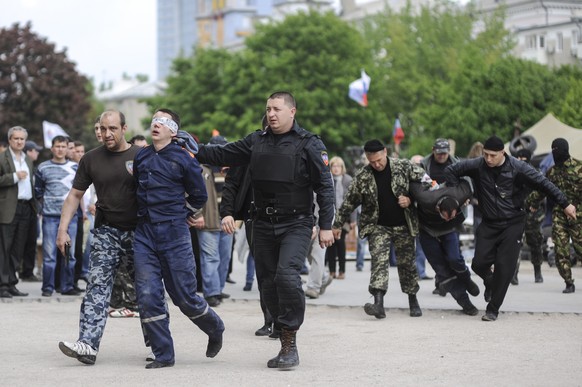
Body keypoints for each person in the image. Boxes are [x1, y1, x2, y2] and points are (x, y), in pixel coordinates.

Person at [196, 91, 335, 369]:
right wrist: (190, 146)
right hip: (260, 222)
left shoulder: (309, 143)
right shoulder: (254, 141)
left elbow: (325, 187)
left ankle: (289, 343)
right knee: (268, 283)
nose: (271, 114)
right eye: (268, 109)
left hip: (296, 222)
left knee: (287, 276)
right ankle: (277, 327)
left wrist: (326, 226)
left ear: (292, 112)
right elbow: (222, 153)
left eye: (277, 109)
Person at [444, 135, 576, 321]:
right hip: (489, 223)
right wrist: (458, 193)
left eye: (492, 156)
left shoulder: (518, 168)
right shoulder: (477, 165)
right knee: (478, 264)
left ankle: (493, 309)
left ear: (502, 153)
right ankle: (490, 283)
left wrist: (565, 204)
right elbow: (451, 170)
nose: (488, 159)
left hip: (512, 223)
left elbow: (545, 184)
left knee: (504, 269)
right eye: (486, 155)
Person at [132, 108, 224, 369]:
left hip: (174, 233)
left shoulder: (185, 159)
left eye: (164, 121)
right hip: (145, 233)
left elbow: (199, 196)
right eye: (154, 120)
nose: (156, 124)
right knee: (148, 295)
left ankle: (215, 327)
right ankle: (164, 354)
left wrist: (183, 213)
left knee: (184, 296)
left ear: (173, 131)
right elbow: (136, 188)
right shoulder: (142, 158)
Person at [56, 110, 144, 365]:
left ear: (124, 128)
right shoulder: (91, 159)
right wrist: (63, 230)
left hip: (139, 233)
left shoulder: (141, 157)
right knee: (97, 287)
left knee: (147, 290)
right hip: (106, 232)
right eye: (103, 129)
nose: (107, 134)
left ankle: (158, 346)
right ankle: (87, 344)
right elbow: (74, 195)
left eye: (112, 129)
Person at [333, 139, 429, 319]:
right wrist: (337, 224)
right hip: (378, 226)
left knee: (407, 264)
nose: (376, 164)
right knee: (378, 261)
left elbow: (427, 182)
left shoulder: (404, 166)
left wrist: (411, 198)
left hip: (404, 224)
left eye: (379, 160)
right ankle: (378, 304)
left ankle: (413, 299)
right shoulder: (363, 176)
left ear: (385, 152)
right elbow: (348, 202)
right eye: (372, 161)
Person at [409, 180, 480, 315]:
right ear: (438, 209)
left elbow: (467, 178)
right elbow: (412, 185)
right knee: (442, 270)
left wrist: (468, 198)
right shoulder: (426, 199)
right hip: (427, 230)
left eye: (452, 216)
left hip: (448, 231)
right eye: (446, 217)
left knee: (455, 259)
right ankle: (465, 302)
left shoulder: (461, 194)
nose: (449, 218)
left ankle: (466, 279)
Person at [528, 138, 581, 294]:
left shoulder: (579, 167)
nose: (555, 153)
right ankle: (568, 282)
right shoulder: (552, 171)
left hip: (578, 215)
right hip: (559, 216)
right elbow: (542, 189)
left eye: (557, 150)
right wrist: (531, 202)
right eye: (553, 150)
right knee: (560, 250)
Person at [35, 135, 82, 297]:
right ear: (52, 148)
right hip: (50, 216)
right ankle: (48, 287)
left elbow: (79, 192)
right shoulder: (43, 168)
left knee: (69, 253)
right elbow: (38, 191)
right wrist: (43, 207)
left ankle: (67, 286)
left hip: (71, 217)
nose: (60, 149)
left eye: (63, 146)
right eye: (57, 146)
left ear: (67, 147)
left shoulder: (75, 168)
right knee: (49, 254)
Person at [0, 126, 37, 298]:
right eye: (16, 139)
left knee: (17, 249)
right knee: (4, 248)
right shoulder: (2, 158)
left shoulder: (28, 159)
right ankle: (3, 285)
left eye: (22, 139)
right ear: (10, 140)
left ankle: (12, 283)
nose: (20, 141)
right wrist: (14, 176)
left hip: (26, 207)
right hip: (8, 209)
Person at [511, 148, 545, 285]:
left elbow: (542, 190)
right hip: (517, 212)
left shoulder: (534, 173)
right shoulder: (512, 172)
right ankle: (514, 274)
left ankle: (538, 271)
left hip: (532, 214)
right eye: (518, 158)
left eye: (523, 158)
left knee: (535, 244)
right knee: (515, 244)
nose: (520, 160)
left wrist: (533, 203)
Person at [326, 156, 355, 279]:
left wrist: (353, 219)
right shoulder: (327, 179)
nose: (336, 169)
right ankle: (332, 271)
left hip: (344, 216)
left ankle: (342, 271)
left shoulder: (348, 180)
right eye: (334, 166)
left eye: (338, 166)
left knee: (340, 242)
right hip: (330, 216)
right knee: (330, 244)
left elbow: (353, 200)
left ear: (342, 168)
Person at [20, 140, 43, 282]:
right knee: (22, 242)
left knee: (31, 241)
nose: (38, 153)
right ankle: (23, 271)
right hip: (24, 208)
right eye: (35, 150)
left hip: (33, 209)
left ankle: (27, 271)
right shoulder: (23, 168)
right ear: (28, 152)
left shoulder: (32, 167)